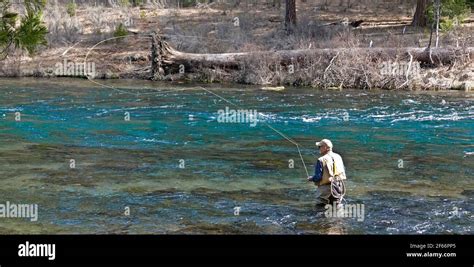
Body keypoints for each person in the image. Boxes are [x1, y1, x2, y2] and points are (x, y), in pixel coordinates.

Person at [307, 139, 347, 206]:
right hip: (338, 186)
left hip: (325, 189)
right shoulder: (338, 156)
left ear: (325, 147)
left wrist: (311, 178)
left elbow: (318, 177)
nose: (319, 148)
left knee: (320, 208)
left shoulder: (321, 160)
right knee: (336, 208)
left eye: (319, 147)